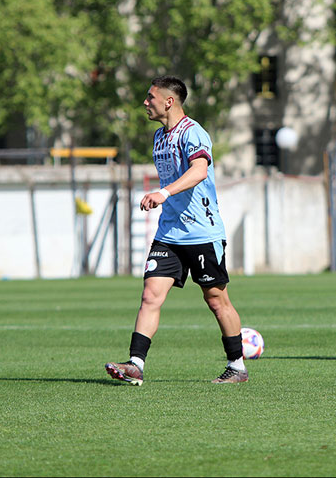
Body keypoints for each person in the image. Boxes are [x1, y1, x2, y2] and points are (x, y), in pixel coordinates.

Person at [105, 75, 248, 384]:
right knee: (150, 296)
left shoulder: (193, 133)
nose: (145, 102)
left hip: (203, 232)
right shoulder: (159, 136)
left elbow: (199, 170)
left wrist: (163, 193)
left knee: (215, 299)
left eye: (150, 97)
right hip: (169, 234)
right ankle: (135, 364)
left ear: (168, 101)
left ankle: (237, 365)